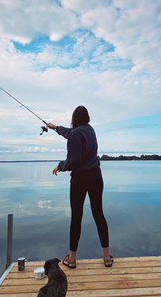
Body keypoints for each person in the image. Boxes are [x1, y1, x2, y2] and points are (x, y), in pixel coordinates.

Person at [46, 106, 112, 269]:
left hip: (80, 180)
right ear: (87, 118)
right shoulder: (90, 130)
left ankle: (72, 259)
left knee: (76, 217)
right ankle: (106, 257)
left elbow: (73, 161)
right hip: (96, 177)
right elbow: (71, 134)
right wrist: (56, 128)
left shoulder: (77, 133)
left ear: (74, 118)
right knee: (99, 215)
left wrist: (60, 166)